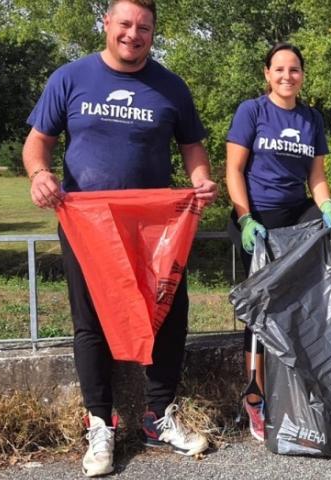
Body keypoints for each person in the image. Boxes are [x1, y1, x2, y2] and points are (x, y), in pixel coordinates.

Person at [21, 0, 216, 476]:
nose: (134, 34)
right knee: (91, 323)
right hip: (88, 225)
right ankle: (100, 424)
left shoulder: (170, 86)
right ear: (106, 24)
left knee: (168, 314)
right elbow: (36, 143)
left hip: (156, 227)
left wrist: (202, 181)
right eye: (125, 24)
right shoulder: (70, 77)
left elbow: (193, 147)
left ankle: (158, 417)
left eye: (144, 27)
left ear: (154, 33)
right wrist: (39, 174)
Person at [224, 42, 331, 442]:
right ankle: (255, 399)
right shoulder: (252, 111)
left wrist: (327, 206)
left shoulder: (312, 118)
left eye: (294, 70)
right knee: (262, 313)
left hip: (299, 213)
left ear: (302, 75)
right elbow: (233, 169)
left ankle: (329, 299)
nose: (286, 76)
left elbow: (316, 175)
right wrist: (244, 218)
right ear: (266, 73)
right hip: (257, 219)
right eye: (279, 69)